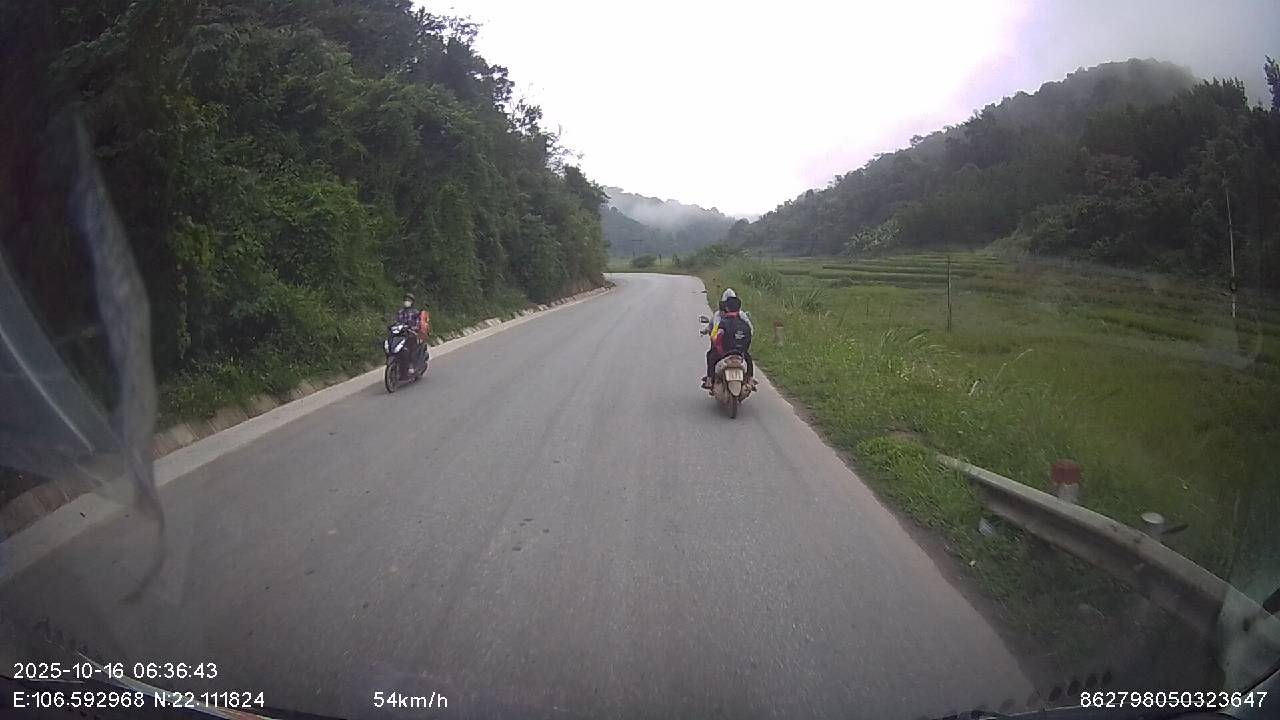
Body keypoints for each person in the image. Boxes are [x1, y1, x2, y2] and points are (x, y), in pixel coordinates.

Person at [703, 293, 754, 390]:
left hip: (725, 352)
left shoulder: (723, 322)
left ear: (727, 308)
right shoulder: (744, 324)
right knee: (749, 359)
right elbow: (748, 338)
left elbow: (718, 338)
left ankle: (709, 380)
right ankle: (750, 379)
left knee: (710, 356)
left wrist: (720, 350)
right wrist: (743, 351)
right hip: (740, 353)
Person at [394, 292, 429, 373]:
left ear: (412, 302)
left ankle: (411, 364)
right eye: (405, 300)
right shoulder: (400, 312)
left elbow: (417, 323)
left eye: (408, 300)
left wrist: (413, 328)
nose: (406, 302)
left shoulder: (415, 313)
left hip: (411, 334)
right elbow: (396, 322)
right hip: (401, 334)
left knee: (410, 347)